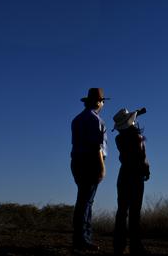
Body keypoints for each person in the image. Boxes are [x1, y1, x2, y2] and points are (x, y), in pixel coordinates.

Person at [71, 87, 109, 251]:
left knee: (82, 200)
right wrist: (101, 167)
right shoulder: (96, 121)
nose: (102, 104)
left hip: (77, 161)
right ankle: (83, 239)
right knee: (87, 202)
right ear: (98, 102)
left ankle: (79, 238)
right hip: (91, 162)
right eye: (102, 101)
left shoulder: (77, 119)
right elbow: (96, 147)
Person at [112, 107, 151, 256]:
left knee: (122, 211)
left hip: (124, 174)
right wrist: (146, 171)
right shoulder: (138, 138)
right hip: (136, 175)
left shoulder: (119, 139)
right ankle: (135, 246)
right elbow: (143, 159)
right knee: (135, 212)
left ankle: (119, 246)